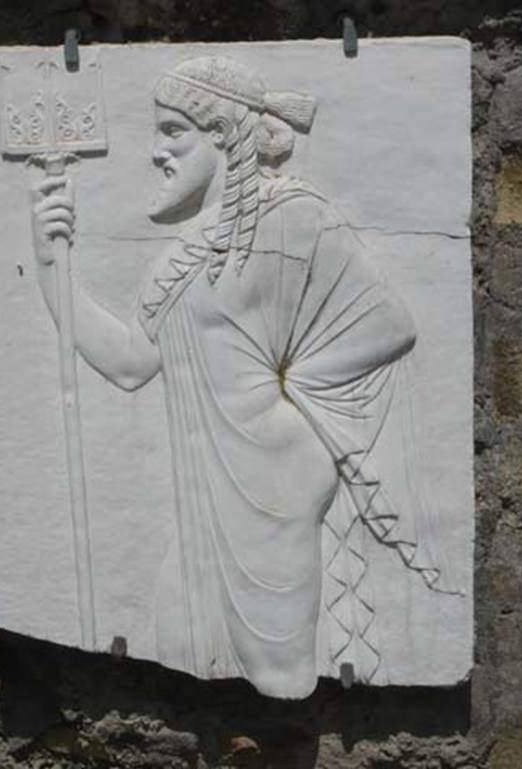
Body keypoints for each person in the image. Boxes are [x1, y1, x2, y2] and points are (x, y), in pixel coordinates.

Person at [31, 56, 452, 699]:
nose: (157, 152)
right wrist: (50, 271)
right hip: (205, 499)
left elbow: (388, 323)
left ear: (223, 135)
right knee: (175, 642)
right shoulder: (180, 259)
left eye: (173, 132)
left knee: (280, 680)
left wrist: (293, 399)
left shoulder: (297, 217)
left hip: (275, 487)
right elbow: (130, 364)